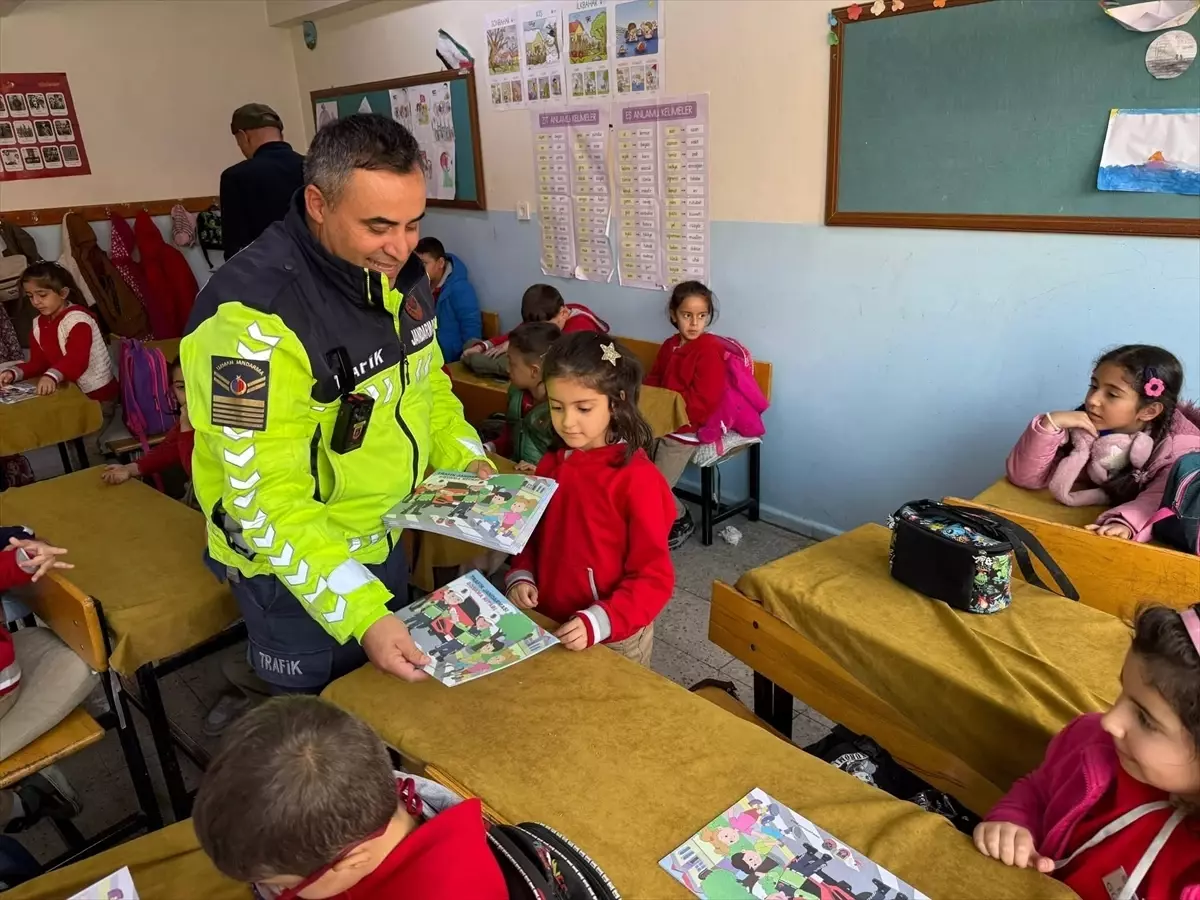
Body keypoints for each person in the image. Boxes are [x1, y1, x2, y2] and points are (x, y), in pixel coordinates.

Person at [182, 113, 494, 696]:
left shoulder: (402, 275)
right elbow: (262, 499)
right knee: (319, 730)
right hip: (291, 564)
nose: (401, 247)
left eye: (412, 224)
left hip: (384, 532)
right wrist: (361, 611)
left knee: (386, 699)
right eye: (379, 226)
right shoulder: (248, 324)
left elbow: (427, 387)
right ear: (320, 204)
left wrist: (467, 457)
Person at [974, 603, 1200, 898]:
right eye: (1121, 691)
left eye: (1145, 719)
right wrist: (1013, 824)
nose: (1110, 721)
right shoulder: (1090, 743)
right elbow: (1039, 790)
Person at [192, 695, 507, 900]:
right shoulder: (360, 788)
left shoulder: (452, 890)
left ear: (352, 861)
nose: (272, 891)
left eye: (283, 885)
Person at [505, 332, 674, 666]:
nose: (567, 421)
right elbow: (532, 532)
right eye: (556, 407)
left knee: (614, 714)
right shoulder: (553, 462)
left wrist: (600, 620)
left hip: (612, 634)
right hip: (550, 619)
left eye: (583, 408)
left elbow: (654, 577)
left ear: (617, 400)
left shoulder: (638, 480)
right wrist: (521, 573)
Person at [1007, 345, 1200, 542]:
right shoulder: (1084, 429)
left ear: (1149, 411)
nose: (1093, 400)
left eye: (1112, 394)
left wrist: (1124, 523)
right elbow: (1025, 477)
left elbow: (1156, 498)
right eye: (1094, 386)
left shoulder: (1179, 451)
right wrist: (1048, 425)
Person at [644, 281, 727, 549]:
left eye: (701, 316)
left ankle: (681, 518)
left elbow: (704, 402)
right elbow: (654, 380)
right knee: (638, 471)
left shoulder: (709, 350)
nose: (694, 323)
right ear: (673, 314)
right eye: (687, 315)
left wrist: (669, 415)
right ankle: (647, 519)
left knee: (655, 485)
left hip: (684, 431)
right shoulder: (670, 345)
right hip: (661, 423)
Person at [0, 263, 117, 402]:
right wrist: (14, 373)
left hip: (96, 396)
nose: (36, 302)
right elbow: (38, 363)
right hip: (68, 392)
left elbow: (76, 360)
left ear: (63, 293)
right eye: (30, 296)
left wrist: (51, 376)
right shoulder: (39, 324)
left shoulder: (79, 321)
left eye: (42, 295)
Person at [219, 103, 305, 259]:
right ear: (280, 134)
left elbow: (236, 246)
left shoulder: (236, 177)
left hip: (269, 273)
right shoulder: (315, 166)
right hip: (321, 273)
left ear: (243, 136)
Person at [101, 357, 193, 485]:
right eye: (181, 387)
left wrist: (187, 428)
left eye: (197, 385)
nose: (190, 395)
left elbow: (196, 471)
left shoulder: (219, 420)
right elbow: (169, 450)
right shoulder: (187, 419)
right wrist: (130, 468)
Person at [486, 321, 560, 471]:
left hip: (545, 480)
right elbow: (509, 435)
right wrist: (490, 447)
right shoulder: (516, 393)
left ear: (534, 371)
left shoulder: (561, 408)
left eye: (512, 364)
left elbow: (567, 460)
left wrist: (542, 470)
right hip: (515, 470)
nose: (507, 369)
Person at [462, 283, 608, 359]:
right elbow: (516, 333)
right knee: (472, 349)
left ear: (563, 313)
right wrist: (482, 347)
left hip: (576, 373)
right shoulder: (547, 314)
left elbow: (560, 359)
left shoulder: (581, 327)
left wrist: (516, 344)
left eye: (547, 328)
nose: (542, 333)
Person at [413, 237, 480, 363]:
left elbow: (471, 326)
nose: (418, 269)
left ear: (441, 263)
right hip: (424, 358)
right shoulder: (417, 285)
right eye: (415, 263)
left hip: (452, 359)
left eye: (424, 264)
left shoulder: (460, 288)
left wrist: (467, 359)